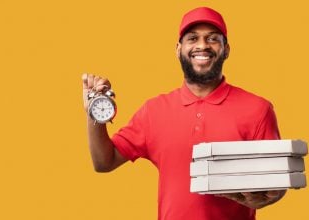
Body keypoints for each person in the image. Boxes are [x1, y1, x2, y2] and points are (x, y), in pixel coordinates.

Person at [82, 7, 286, 220]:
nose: (202, 45)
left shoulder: (257, 109)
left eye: (212, 38)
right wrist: (93, 113)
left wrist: (269, 197)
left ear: (226, 49)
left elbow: (277, 181)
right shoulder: (154, 111)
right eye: (192, 38)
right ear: (178, 49)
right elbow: (104, 162)